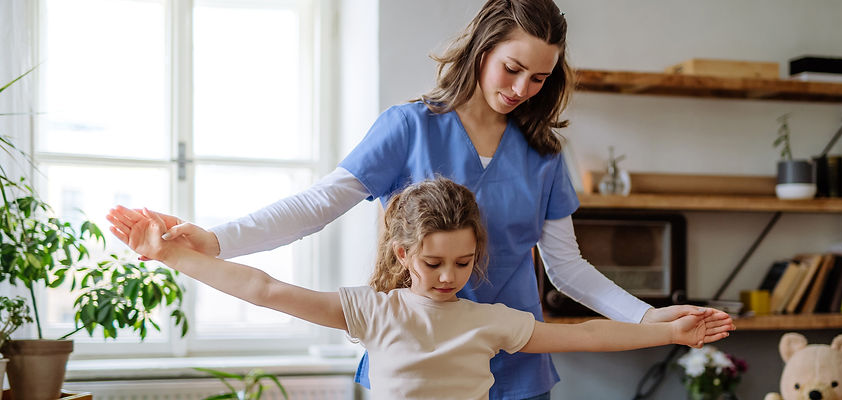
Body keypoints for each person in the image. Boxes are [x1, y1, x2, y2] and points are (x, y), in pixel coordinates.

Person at [107, 0, 734, 398]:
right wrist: (213, 241)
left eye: (540, 77)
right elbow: (317, 204)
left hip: (516, 353)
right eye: (512, 68)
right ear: (483, 49)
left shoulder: (543, 153)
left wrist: (645, 318)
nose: (521, 88)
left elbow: (566, 267)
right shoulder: (408, 126)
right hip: (410, 354)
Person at [115, 178, 714, 400]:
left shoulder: (490, 320)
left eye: (463, 262)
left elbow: (585, 338)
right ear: (403, 255)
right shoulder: (371, 311)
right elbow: (265, 288)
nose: (449, 276)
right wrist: (173, 255)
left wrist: (663, 329)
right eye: (433, 264)